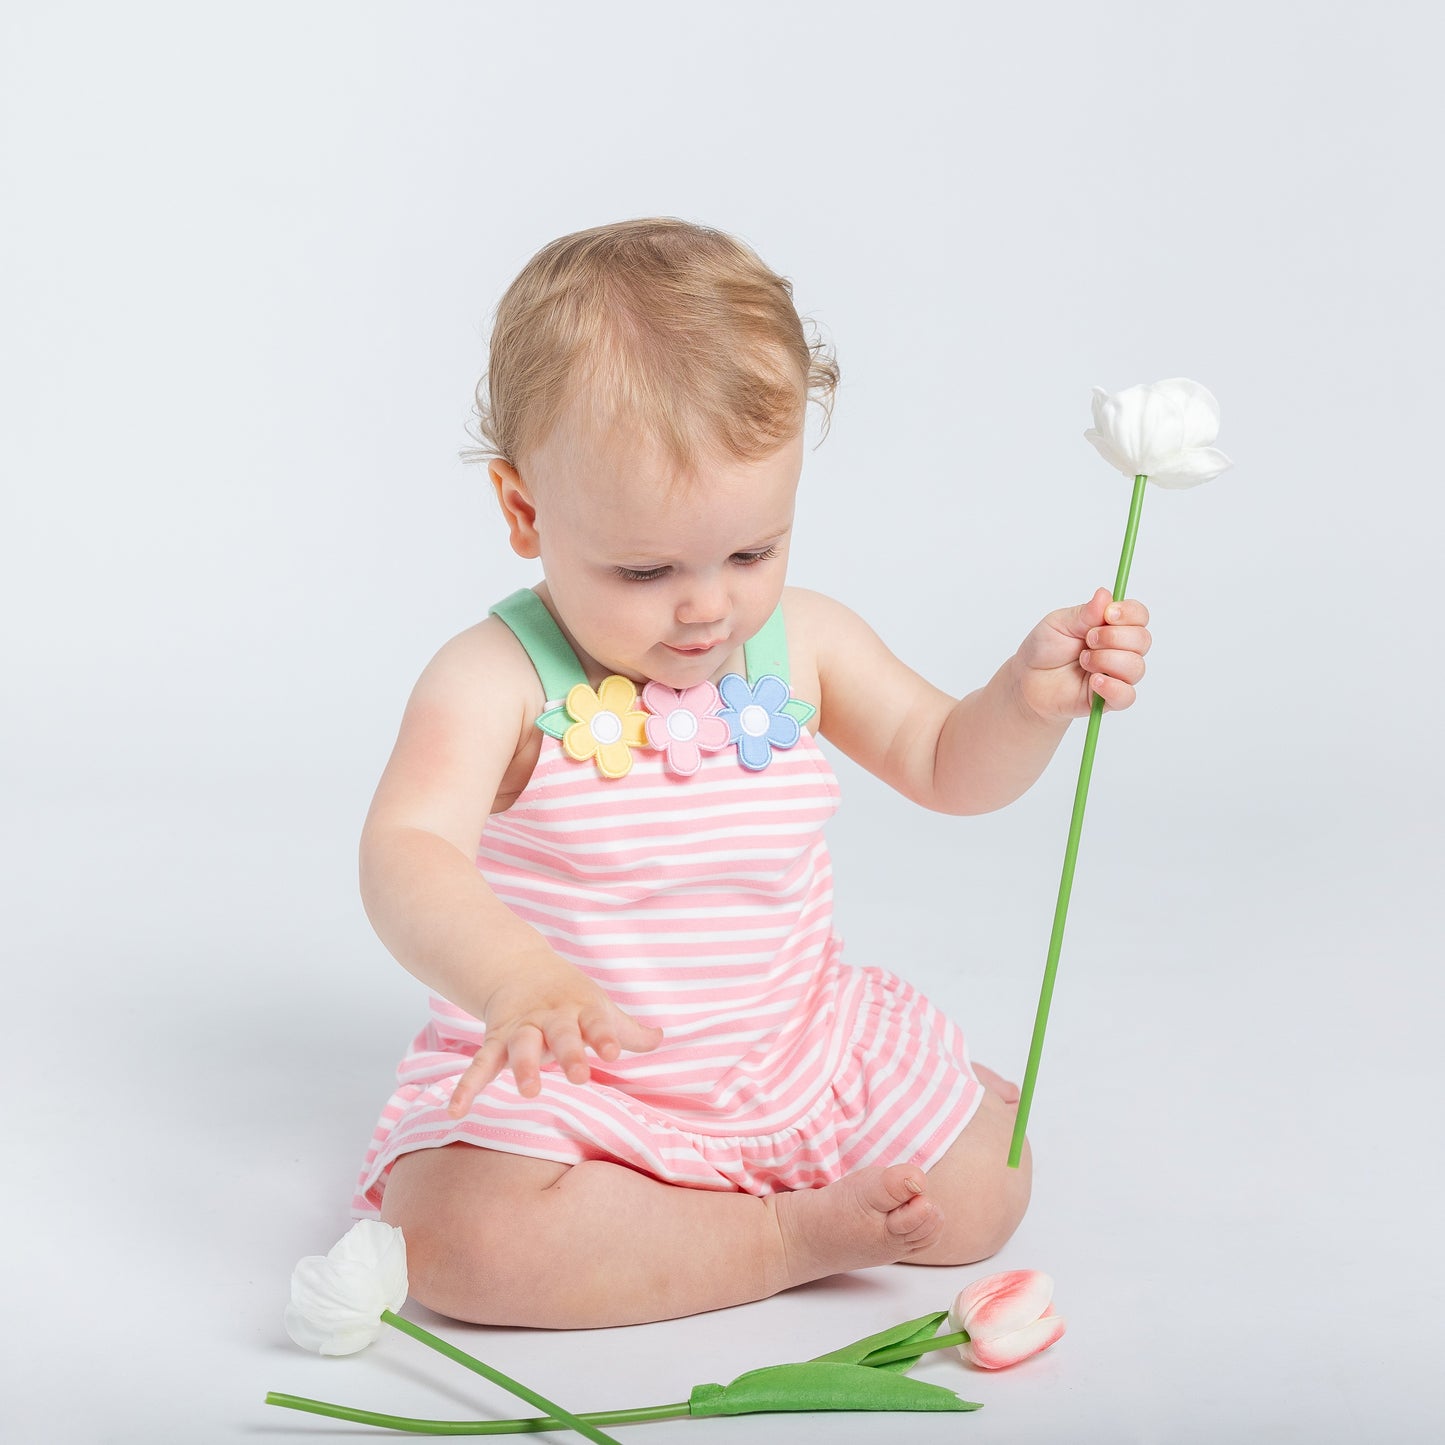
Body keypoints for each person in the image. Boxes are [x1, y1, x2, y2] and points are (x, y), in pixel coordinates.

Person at [351, 218, 1151, 1330]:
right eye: (644, 567)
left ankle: (736, 1205)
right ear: (525, 508)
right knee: (457, 1244)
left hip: (793, 1055)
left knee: (983, 1191)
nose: (707, 605)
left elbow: (942, 764)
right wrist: (512, 977)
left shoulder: (806, 645)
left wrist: (1023, 698)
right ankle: (782, 1235)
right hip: (588, 1085)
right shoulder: (492, 677)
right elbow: (407, 848)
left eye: (750, 551)